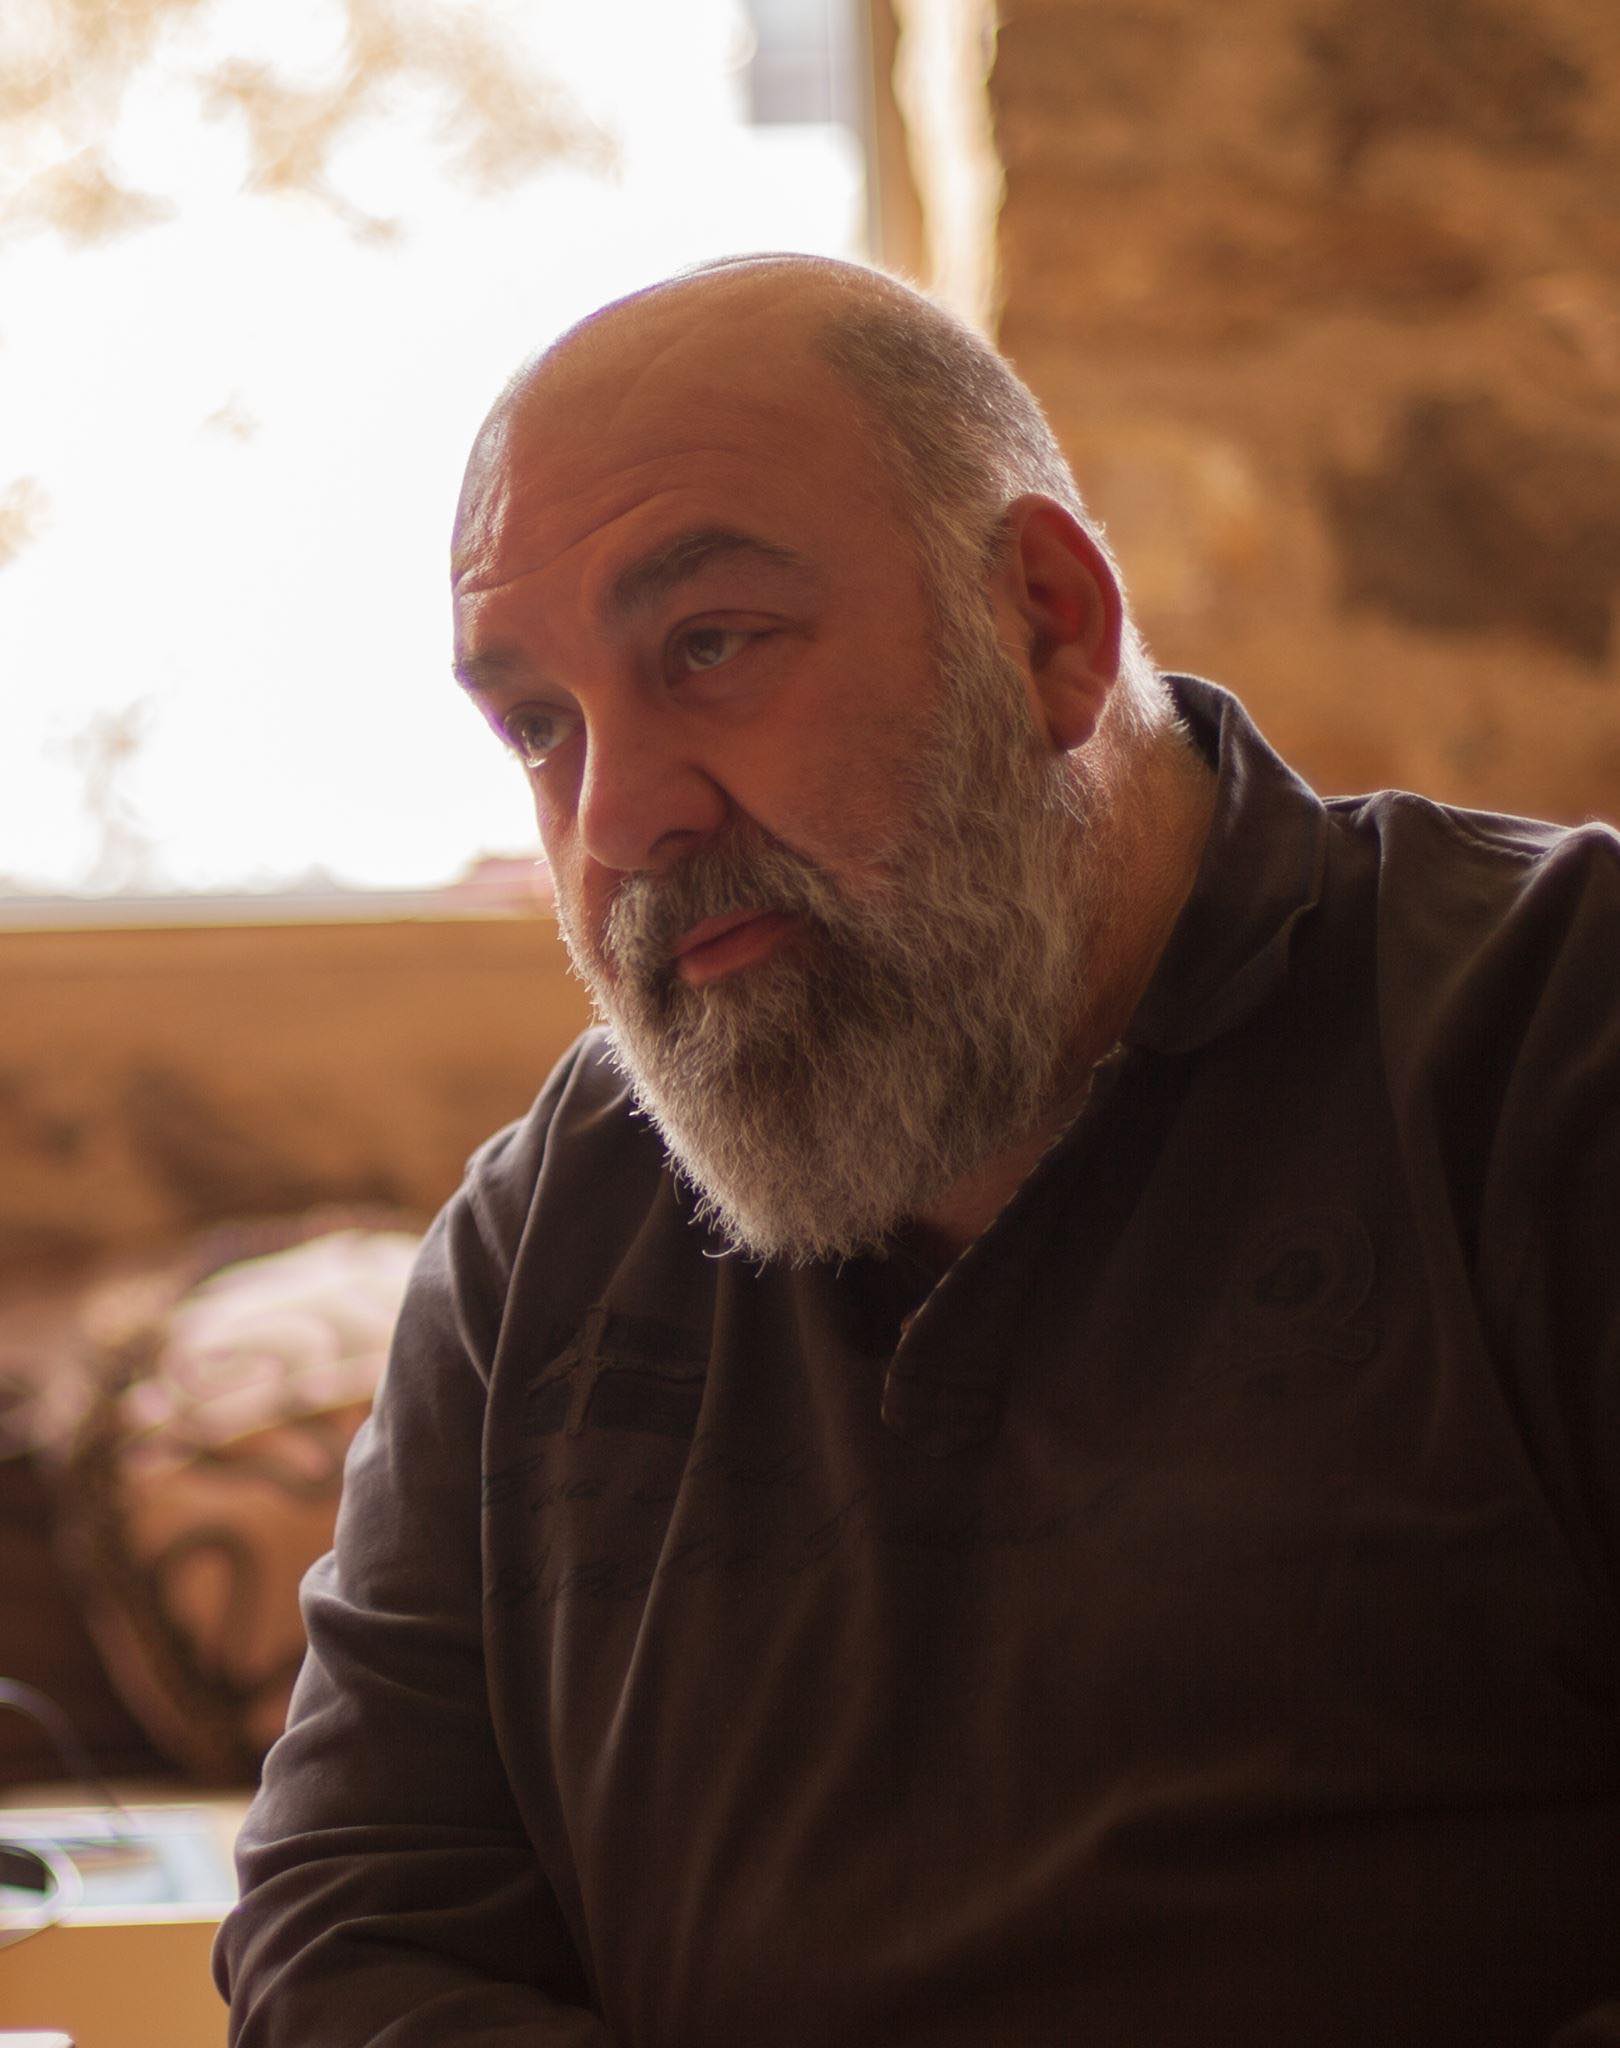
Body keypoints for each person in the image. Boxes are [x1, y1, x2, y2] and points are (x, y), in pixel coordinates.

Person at [215, 255, 1620, 2046]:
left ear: (1047, 624)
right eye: (540, 728)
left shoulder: (1553, 1047)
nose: (620, 818)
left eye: (710, 646)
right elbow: (346, 1926)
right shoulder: (550, 1227)